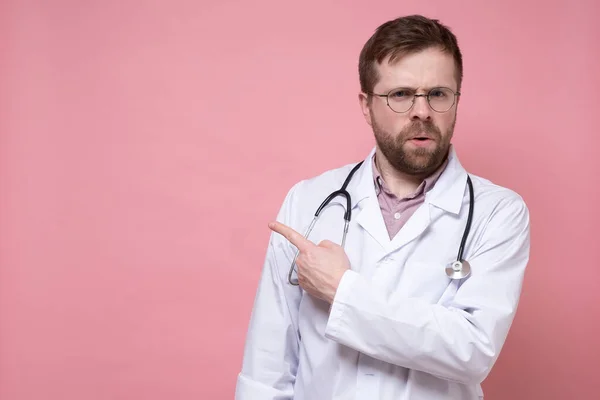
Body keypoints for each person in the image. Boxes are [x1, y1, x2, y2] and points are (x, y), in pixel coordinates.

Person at [234, 14, 530, 400]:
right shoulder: (308, 201)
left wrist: (343, 291)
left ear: (456, 99)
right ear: (366, 104)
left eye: (438, 94)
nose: (422, 111)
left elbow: (471, 351)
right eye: (401, 94)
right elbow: (267, 366)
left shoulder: (498, 212)